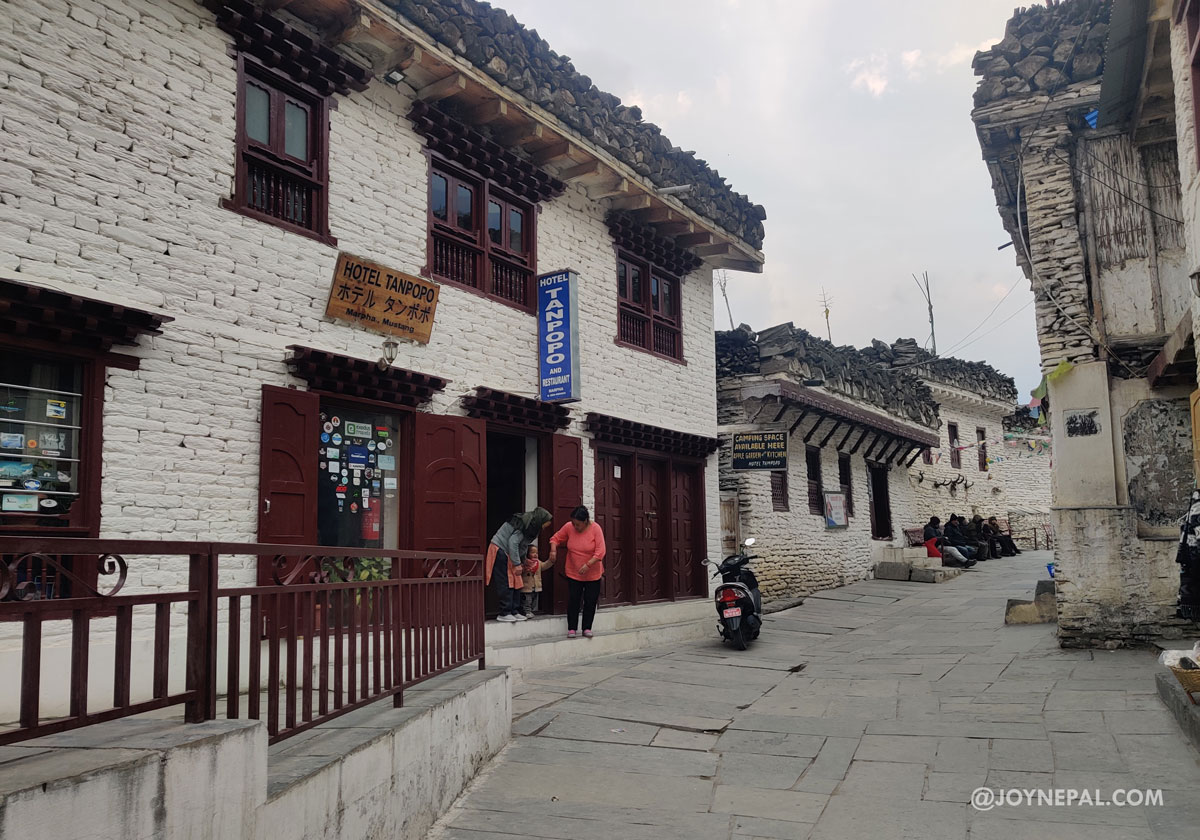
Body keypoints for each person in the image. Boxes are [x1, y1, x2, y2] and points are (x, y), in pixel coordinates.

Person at [549, 505, 606, 638]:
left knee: (590, 601)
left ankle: (587, 628)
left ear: (585, 521)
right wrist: (553, 550)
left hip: (592, 573)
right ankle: (572, 628)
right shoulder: (569, 527)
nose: (575, 527)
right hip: (573, 571)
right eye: (574, 523)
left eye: (578, 524)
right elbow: (555, 538)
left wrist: (588, 564)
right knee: (574, 599)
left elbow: (601, 551)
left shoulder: (595, 528)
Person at [487, 507, 552, 622]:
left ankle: (514, 611)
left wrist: (523, 560)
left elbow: (523, 544)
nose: (545, 527)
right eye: (544, 524)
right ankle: (504, 612)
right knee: (506, 581)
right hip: (501, 550)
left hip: (510, 553)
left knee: (517, 580)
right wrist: (517, 564)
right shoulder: (524, 523)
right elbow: (513, 542)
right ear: (539, 520)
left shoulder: (533, 527)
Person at [520, 543, 554, 617]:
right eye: (533, 552)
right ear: (527, 553)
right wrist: (525, 568)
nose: (535, 554)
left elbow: (544, 566)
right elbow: (521, 571)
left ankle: (530, 611)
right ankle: (526, 612)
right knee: (527, 600)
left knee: (534, 601)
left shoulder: (538, 562)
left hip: (536, 586)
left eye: (537, 553)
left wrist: (551, 561)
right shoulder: (525, 563)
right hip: (527, 587)